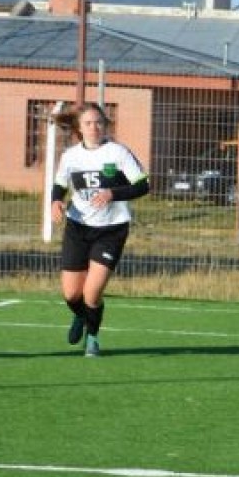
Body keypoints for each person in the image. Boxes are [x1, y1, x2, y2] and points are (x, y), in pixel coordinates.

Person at [50, 102, 150, 357]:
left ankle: (92, 338)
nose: (94, 127)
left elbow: (142, 186)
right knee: (72, 293)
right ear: (79, 128)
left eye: (99, 123)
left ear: (105, 125)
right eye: (88, 123)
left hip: (111, 230)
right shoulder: (71, 156)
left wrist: (112, 193)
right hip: (78, 226)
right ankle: (82, 317)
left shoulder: (118, 153)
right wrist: (56, 201)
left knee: (91, 293)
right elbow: (60, 184)